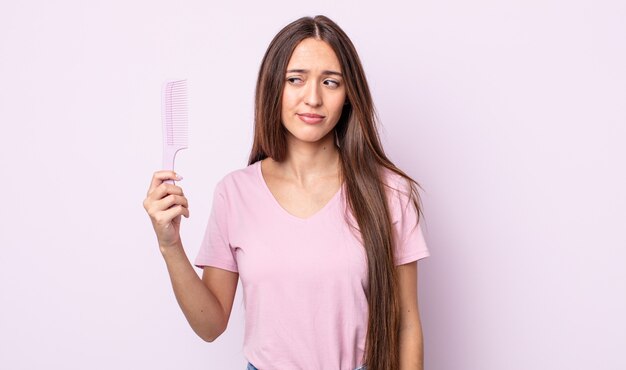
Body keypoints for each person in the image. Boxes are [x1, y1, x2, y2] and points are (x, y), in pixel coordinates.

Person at [143, 15, 430, 370]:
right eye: (296, 79)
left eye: (331, 82)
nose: (313, 98)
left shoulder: (390, 193)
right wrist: (170, 246)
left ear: (348, 95)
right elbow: (210, 325)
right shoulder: (235, 193)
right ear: (273, 88)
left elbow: (406, 325)